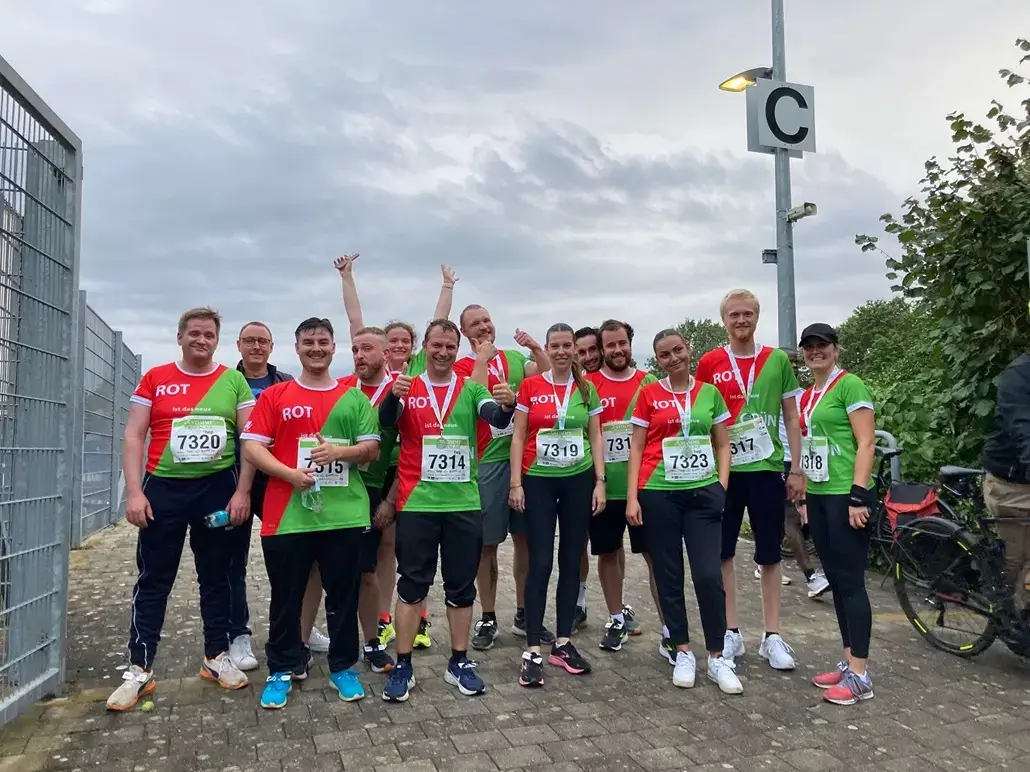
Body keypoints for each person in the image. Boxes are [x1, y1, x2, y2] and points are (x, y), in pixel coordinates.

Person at [106, 307, 256, 711]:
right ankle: (139, 668)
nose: (201, 340)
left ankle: (216, 656)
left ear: (217, 340)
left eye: (209, 334)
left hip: (217, 489)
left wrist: (243, 492)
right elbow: (134, 435)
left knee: (217, 576)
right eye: (194, 333)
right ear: (180, 337)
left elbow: (250, 440)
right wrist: (134, 493)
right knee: (154, 579)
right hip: (164, 490)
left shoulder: (233, 381)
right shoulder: (156, 378)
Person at [242, 317, 381, 710]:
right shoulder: (276, 395)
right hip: (288, 515)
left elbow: (371, 449)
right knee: (286, 597)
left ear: (334, 347)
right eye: (309, 342)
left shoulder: (354, 398)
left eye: (323, 342)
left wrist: (339, 452)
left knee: (343, 595)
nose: (316, 348)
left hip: (345, 515)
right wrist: (289, 474)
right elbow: (252, 447)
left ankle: (343, 666)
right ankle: (281, 668)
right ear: (297, 348)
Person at [376, 319, 517, 702]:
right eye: (436, 345)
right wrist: (392, 397)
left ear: (458, 349)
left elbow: (495, 416)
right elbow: (386, 421)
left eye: (449, 346)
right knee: (411, 585)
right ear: (425, 347)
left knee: (460, 587)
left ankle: (458, 661)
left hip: (463, 504)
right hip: (417, 504)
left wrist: (509, 404)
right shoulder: (407, 385)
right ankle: (403, 664)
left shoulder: (471, 389)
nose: (442, 352)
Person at [335, 254, 457, 649]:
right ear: (383, 349)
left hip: (406, 470)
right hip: (368, 474)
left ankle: (418, 617)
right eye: (393, 342)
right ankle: (384, 617)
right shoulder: (359, 381)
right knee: (384, 548)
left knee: (410, 547)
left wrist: (447, 287)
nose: (400, 346)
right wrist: (347, 277)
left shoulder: (415, 373)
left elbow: (438, 324)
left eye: (406, 341)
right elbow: (356, 321)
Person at [626, 329, 742, 693]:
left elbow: (722, 443)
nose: (673, 358)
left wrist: (721, 485)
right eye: (664, 354)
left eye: (678, 350)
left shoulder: (709, 393)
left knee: (708, 575)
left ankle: (717, 656)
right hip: (658, 492)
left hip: (703, 495)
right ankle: (682, 650)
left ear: (688, 349)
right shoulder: (648, 394)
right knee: (669, 575)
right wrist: (632, 498)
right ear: (657, 359)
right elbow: (636, 447)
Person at [694, 289, 803, 671]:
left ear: (757, 317)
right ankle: (731, 631)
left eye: (747, 314)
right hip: (723, 473)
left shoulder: (776, 360)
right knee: (723, 552)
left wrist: (797, 468)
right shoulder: (709, 362)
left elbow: (791, 416)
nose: (741, 320)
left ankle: (772, 636)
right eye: (734, 315)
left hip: (766, 468)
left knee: (769, 553)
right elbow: (700, 414)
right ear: (724, 320)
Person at [510, 323, 606, 688]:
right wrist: (516, 483)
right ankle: (533, 647)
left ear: (576, 351)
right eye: (556, 346)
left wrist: (600, 482)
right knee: (541, 562)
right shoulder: (531, 386)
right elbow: (519, 434)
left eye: (568, 346)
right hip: (539, 479)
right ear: (547, 349)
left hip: (578, 478)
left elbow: (595, 435)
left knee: (570, 559)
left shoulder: (587, 388)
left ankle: (563, 642)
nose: (563, 351)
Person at [453, 304, 551, 651]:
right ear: (464, 332)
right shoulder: (461, 366)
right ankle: (488, 616)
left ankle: (525, 613)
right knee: (487, 546)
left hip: (524, 461)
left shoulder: (514, 358)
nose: (483, 327)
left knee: (526, 540)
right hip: (488, 462)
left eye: (486, 320)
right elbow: (473, 398)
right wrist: (482, 359)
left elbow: (549, 379)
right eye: (475, 324)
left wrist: (536, 348)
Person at [795, 323, 877, 706]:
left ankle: (861, 675)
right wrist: (805, 497)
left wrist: (858, 496)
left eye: (822, 345)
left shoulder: (850, 385)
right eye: (809, 346)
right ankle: (849, 661)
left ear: (836, 349)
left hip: (848, 494)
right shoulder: (809, 395)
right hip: (820, 495)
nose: (816, 351)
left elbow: (866, 442)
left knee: (852, 583)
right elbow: (811, 446)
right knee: (837, 582)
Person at [585, 319, 661, 650]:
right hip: (604, 488)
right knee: (607, 554)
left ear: (630, 344)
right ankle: (616, 619)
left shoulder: (649, 382)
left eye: (622, 343)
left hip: (645, 487)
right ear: (602, 349)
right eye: (610, 345)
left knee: (655, 556)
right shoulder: (588, 385)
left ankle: (670, 629)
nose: (618, 350)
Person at [226, 321, 294, 672]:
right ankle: (237, 633)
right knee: (232, 561)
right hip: (234, 482)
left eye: (262, 341)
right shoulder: (226, 381)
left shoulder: (286, 382)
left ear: (271, 346)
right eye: (249, 341)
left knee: (293, 559)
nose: (256, 346)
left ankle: (298, 625)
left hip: (278, 480)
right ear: (238, 345)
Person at [337, 326, 399, 674]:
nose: (359, 356)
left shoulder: (400, 391)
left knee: (367, 570)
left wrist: (390, 500)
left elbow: (413, 450)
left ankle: (373, 642)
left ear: (386, 354)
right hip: (336, 487)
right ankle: (304, 642)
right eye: (355, 350)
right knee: (318, 568)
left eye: (367, 349)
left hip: (373, 489)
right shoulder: (342, 388)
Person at [758, 351, 830, 599]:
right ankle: (811, 576)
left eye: (796, 364)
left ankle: (764, 560)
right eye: (788, 365)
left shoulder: (805, 395)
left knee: (795, 518)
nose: (793, 368)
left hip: (806, 462)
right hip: (781, 462)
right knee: (791, 517)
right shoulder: (768, 395)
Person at [982, 351, 1030, 611]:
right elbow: (1023, 428)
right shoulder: (1020, 374)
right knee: (1015, 562)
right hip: (1013, 486)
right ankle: (1003, 616)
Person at [573, 325, 603, 630]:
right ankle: (579, 601)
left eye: (593, 349)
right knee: (579, 542)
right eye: (581, 352)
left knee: (611, 549)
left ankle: (620, 607)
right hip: (581, 476)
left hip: (614, 477)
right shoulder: (575, 385)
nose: (588, 356)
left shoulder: (626, 380)